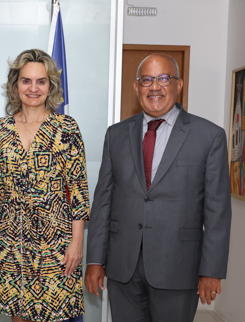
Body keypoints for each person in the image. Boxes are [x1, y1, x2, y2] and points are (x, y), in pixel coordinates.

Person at [85, 53, 232, 322]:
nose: (155, 86)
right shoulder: (115, 135)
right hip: (122, 267)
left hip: (178, 266)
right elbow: (103, 201)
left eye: (164, 78)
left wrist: (211, 270)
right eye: (147, 80)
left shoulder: (209, 136)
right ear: (136, 87)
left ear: (179, 85)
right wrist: (95, 260)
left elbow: (218, 211)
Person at [0, 49, 90, 322]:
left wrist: (77, 242)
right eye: (26, 81)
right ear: (15, 85)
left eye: (41, 81)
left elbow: (78, 191)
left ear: (50, 86)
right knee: (18, 316)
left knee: (56, 314)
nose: (33, 88)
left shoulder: (66, 128)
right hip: (9, 240)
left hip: (56, 243)